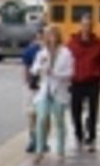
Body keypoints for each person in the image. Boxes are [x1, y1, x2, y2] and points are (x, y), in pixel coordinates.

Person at [30, 24, 74, 158]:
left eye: (53, 35)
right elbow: (34, 69)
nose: (51, 38)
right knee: (42, 118)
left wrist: (55, 73)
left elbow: (70, 72)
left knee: (59, 120)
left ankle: (60, 150)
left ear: (58, 37)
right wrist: (40, 68)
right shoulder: (42, 53)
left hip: (59, 91)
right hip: (44, 90)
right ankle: (39, 149)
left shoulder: (66, 53)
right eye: (48, 35)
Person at [67, 15, 100, 151]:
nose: (86, 28)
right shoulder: (72, 43)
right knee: (75, 111)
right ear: (80, 26)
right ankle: (79, 133)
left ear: (92, 27)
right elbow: (67, 62)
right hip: (76, 81)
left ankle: (91, 136)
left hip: (92, 81)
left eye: (89, 25)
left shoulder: (98, 44)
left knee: (93, 111)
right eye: (84, 25)